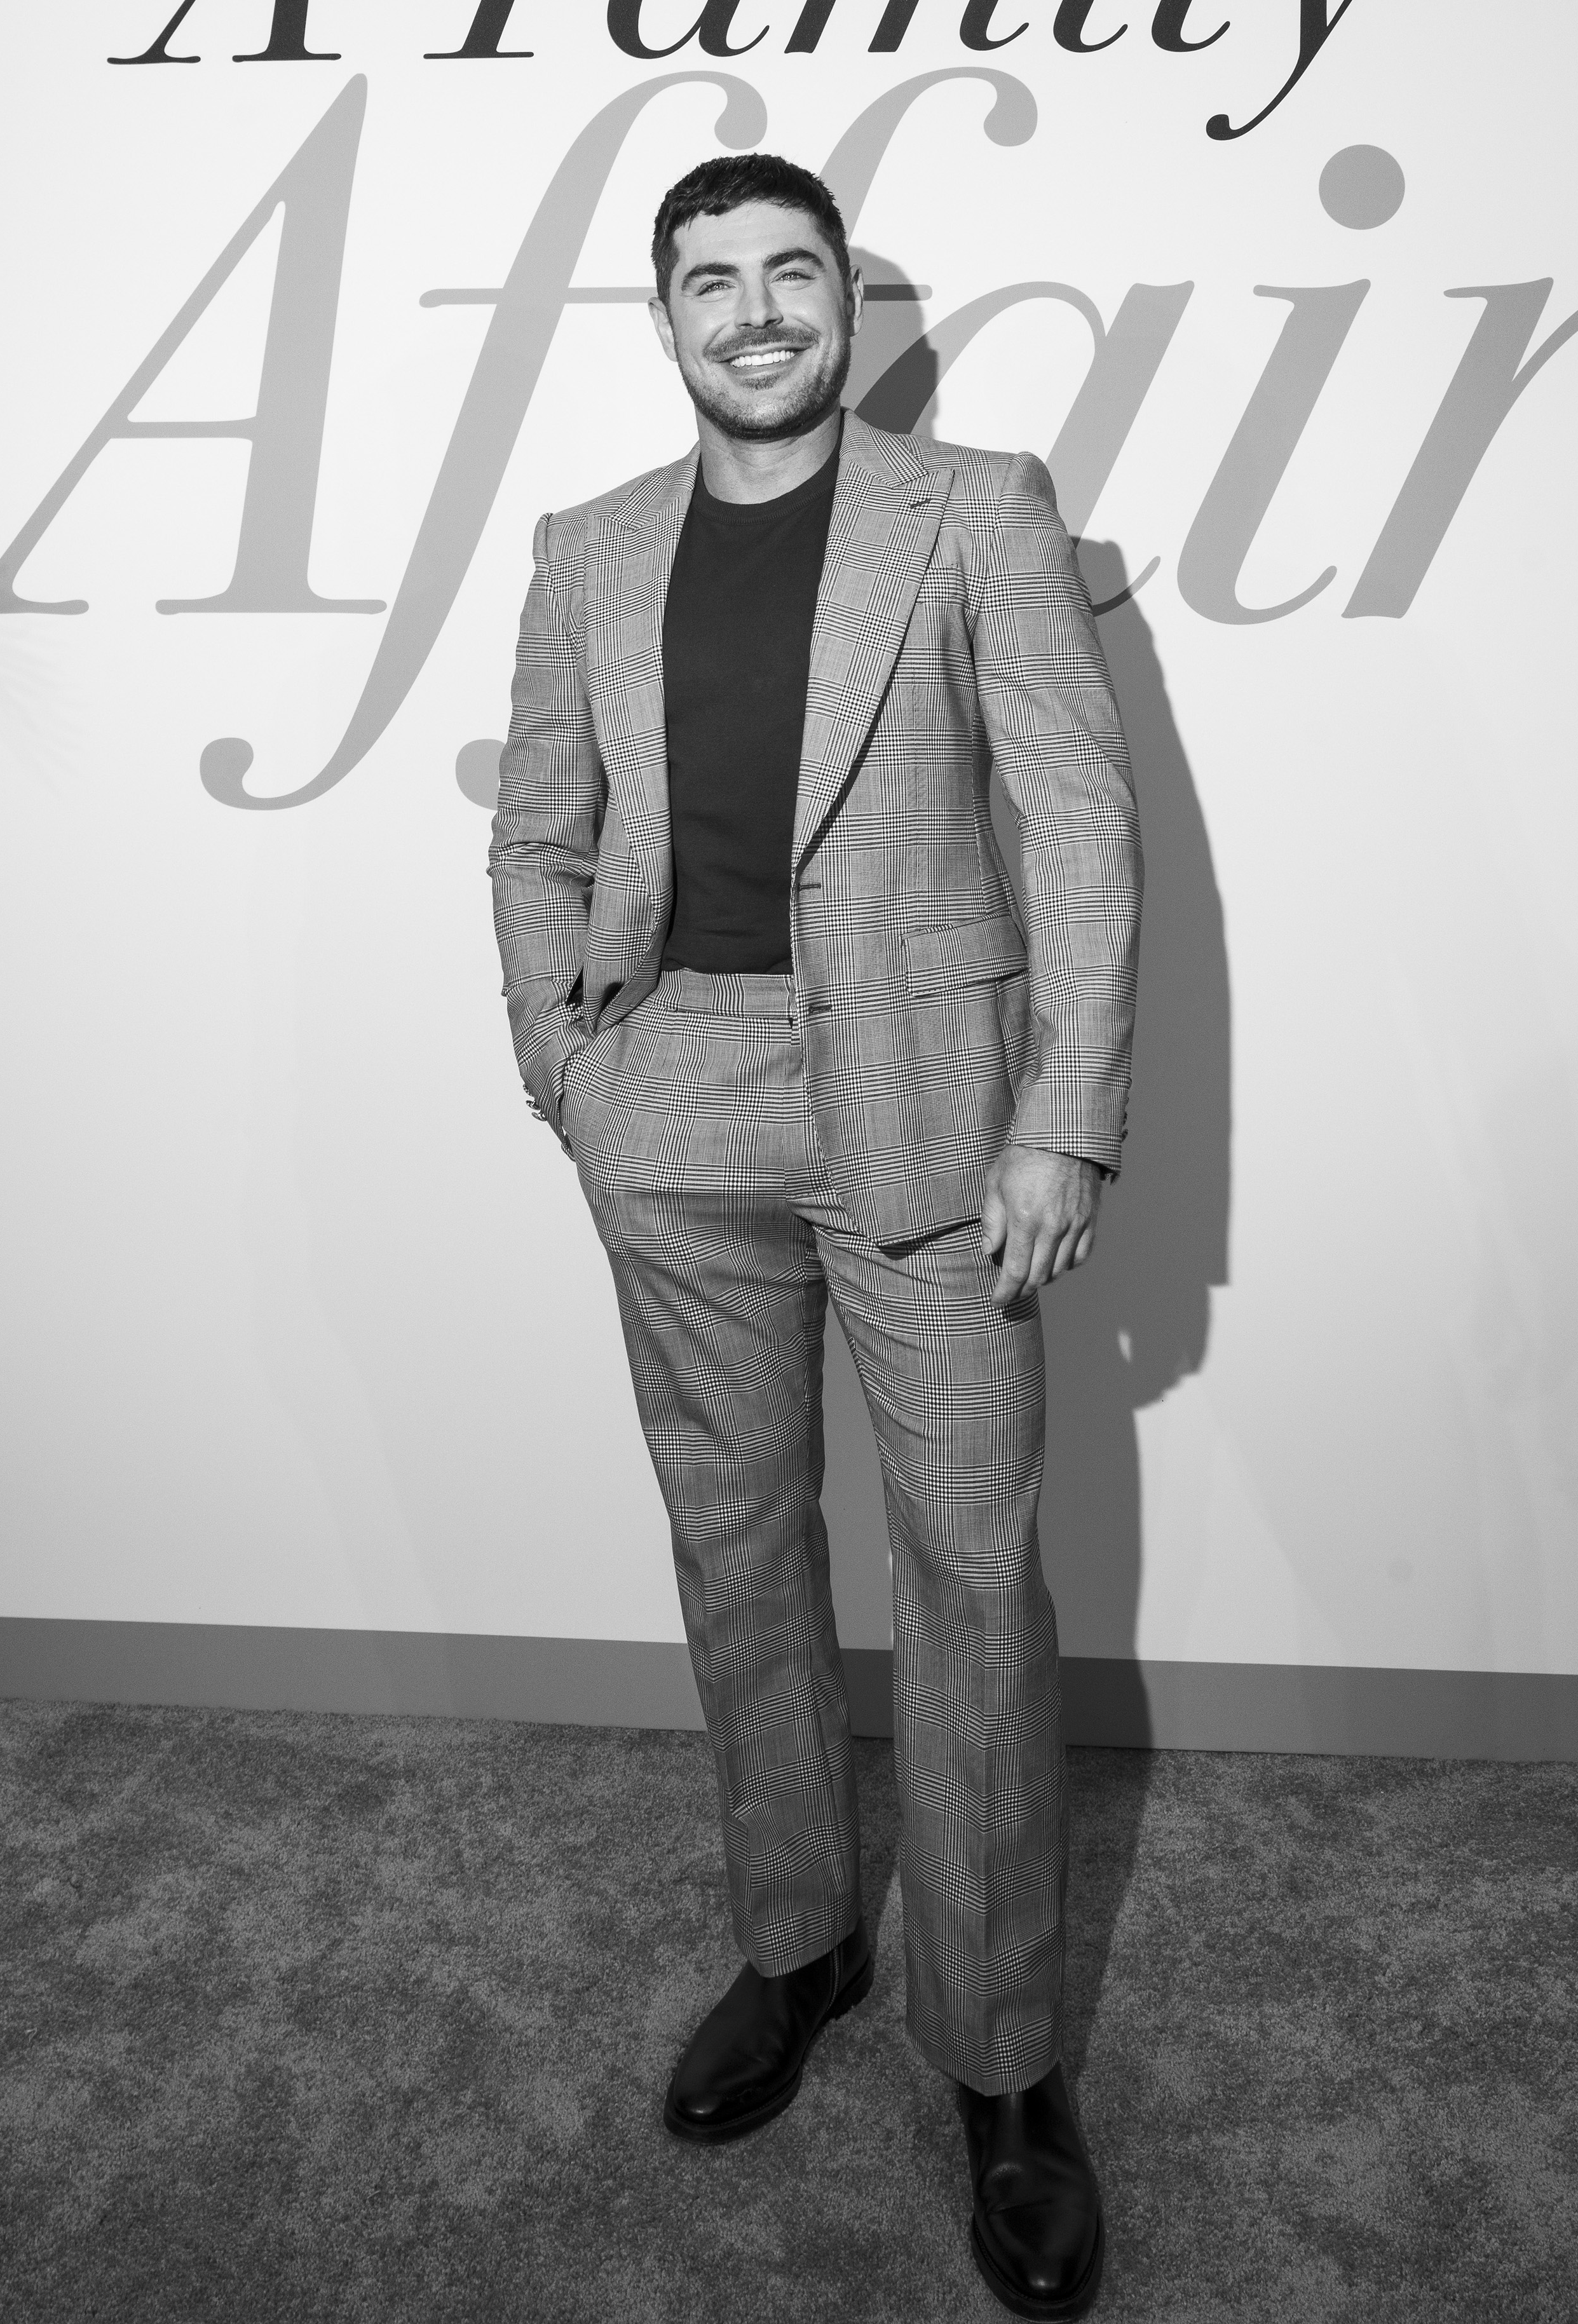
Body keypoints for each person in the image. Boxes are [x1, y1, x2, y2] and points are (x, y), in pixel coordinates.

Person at [488, 152, 1141, 2319]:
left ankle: (1005, 2061)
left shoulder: (974, 514)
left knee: (968, 1574)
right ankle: (799, 1940)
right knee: (736, 1539)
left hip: (935, 1116)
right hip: (671, 1098)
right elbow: (541, 835)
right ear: (660, 316)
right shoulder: (586, 552)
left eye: (793, 274)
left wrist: (1066, 1113)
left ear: (847, 305)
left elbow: (1075, 818)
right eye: (712, 281)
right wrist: (566, 1070)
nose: (756, 311)